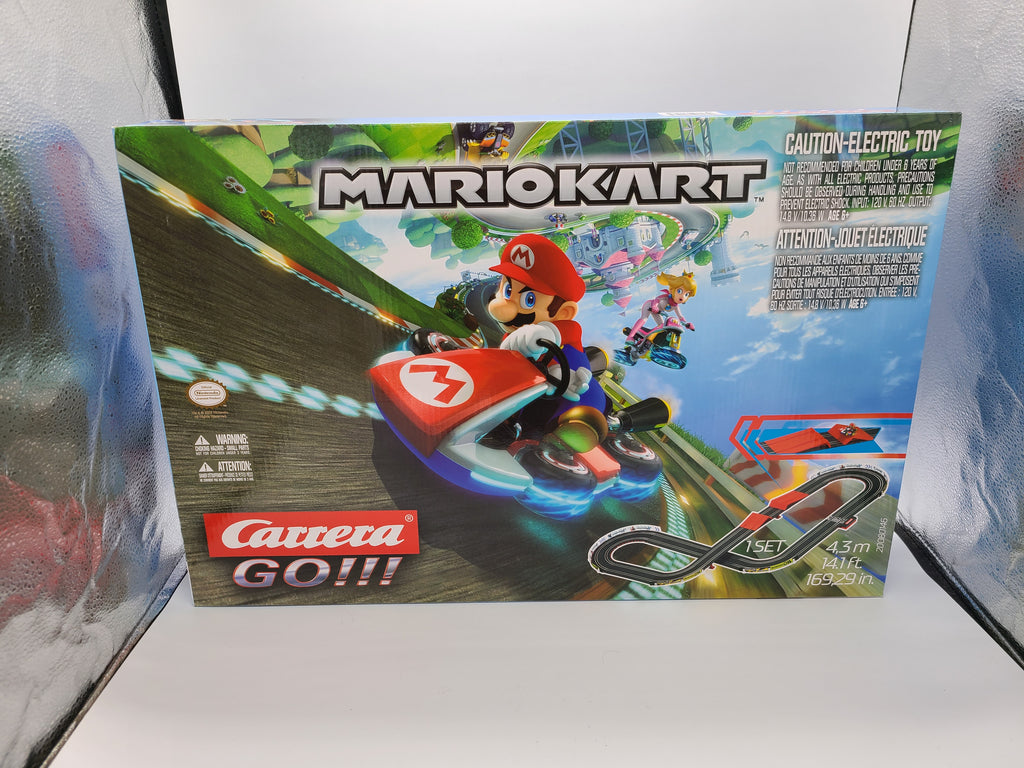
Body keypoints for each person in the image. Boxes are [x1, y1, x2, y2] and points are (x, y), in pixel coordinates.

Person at [487, 234, 607, 453]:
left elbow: (574, 363)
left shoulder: (564, 332)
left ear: (564, 312)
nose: (503, 306)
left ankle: (570, 432)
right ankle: (504, 424)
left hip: (563, 400)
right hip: (523, 396)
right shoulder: (513, 338)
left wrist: (559, 370)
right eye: (507, 290)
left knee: (578, 403)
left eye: (528, 300)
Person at [625, 271, 697, 343]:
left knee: (662, 327)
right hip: (650, 305)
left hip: (657, 312)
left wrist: (686, 324)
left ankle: (645, 340)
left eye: (686, 294)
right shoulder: (666, 297)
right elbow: (657, 300)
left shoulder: (676, 306)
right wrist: (654, 306)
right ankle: (630, 337)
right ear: (673, 289)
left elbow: (680, 317)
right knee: (644, 318)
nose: (683, 296)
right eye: (680, 291)